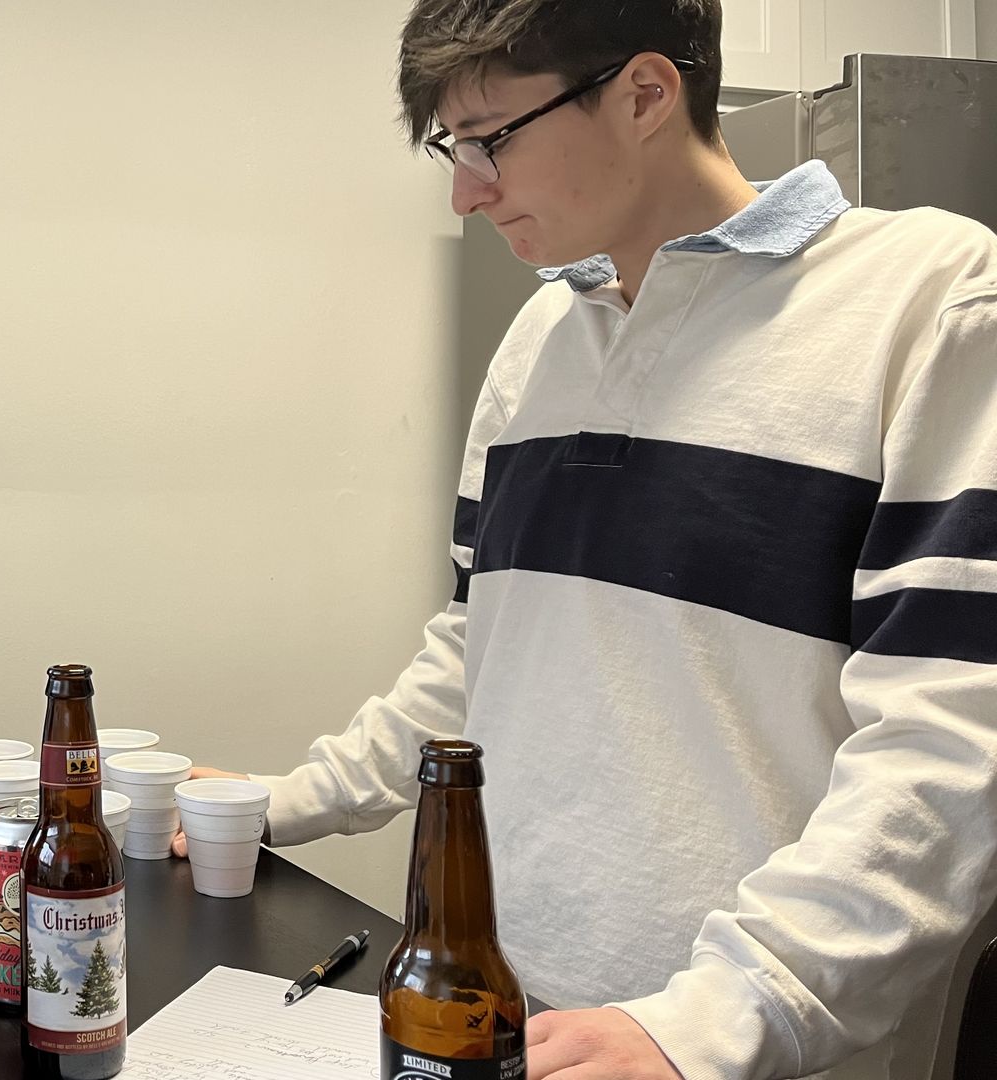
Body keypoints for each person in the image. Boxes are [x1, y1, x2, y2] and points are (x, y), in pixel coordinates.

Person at [177, 2, 997, 1076]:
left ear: (645, 94)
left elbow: (950, 749)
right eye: (450, 149)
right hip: (505, 1007)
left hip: (740, 1044)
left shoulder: (927, 299)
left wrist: (710, 1020)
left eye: (488, 140)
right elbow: (482, 654)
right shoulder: (538, 340)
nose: (466, 192)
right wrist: (281, 803)